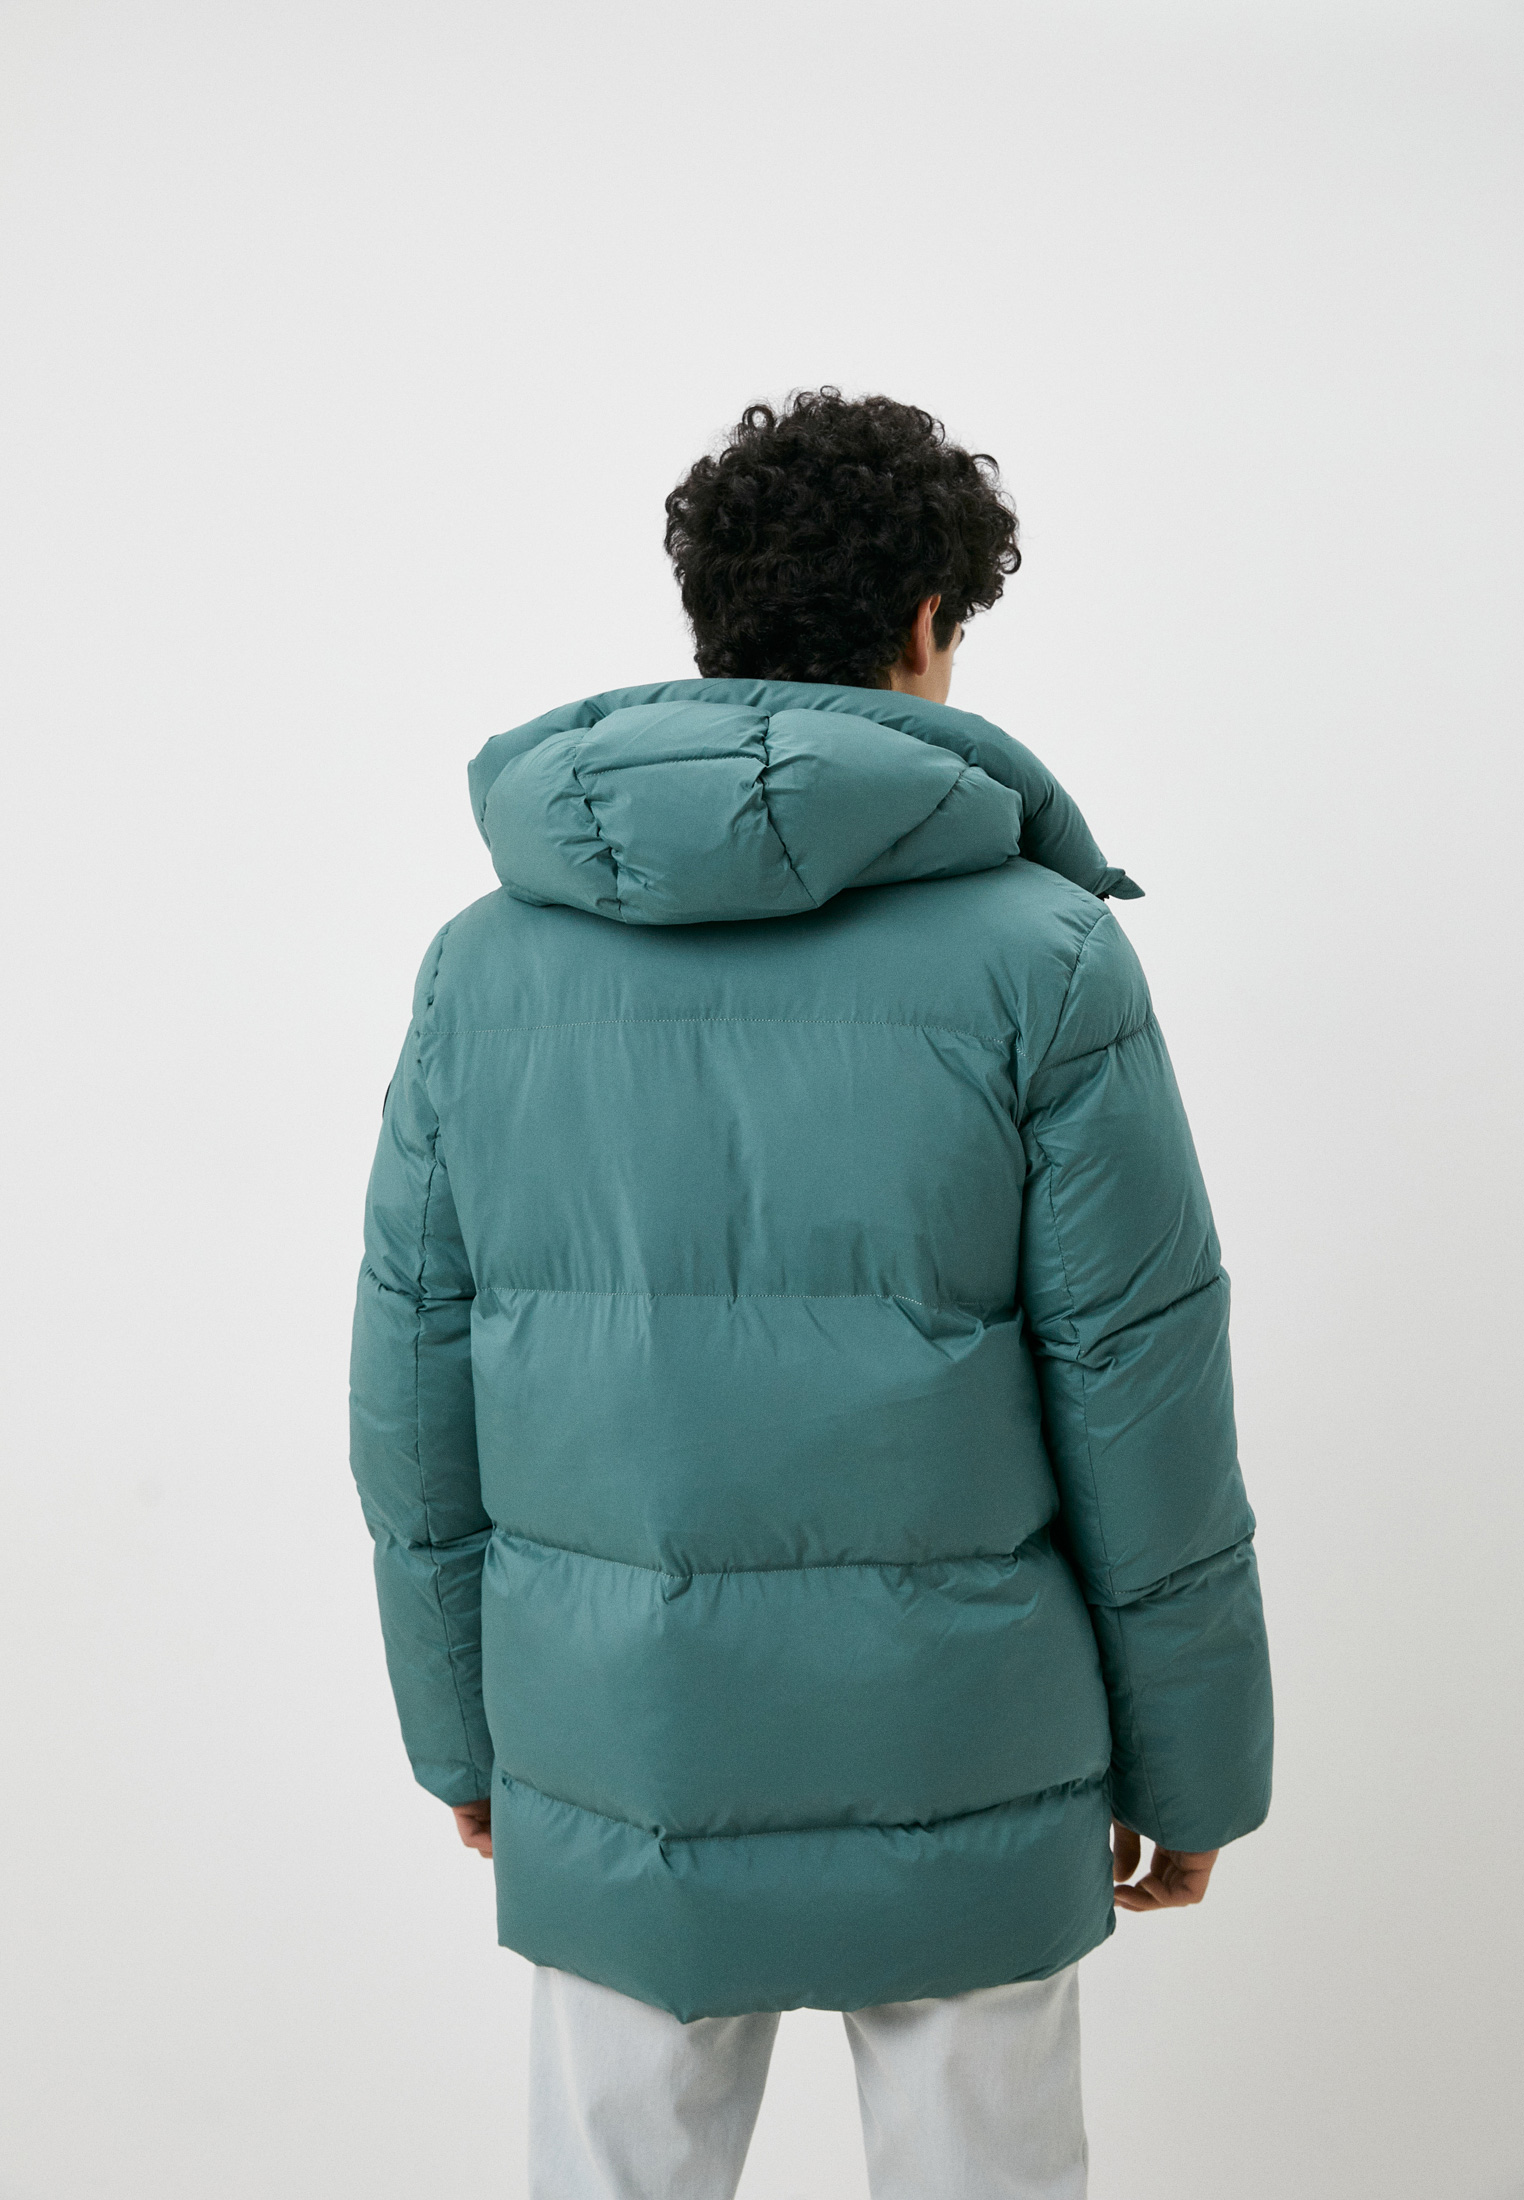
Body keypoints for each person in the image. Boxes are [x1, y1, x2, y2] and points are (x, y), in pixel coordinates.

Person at [348, 388, 1273, 2199]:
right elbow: (1143, 1395)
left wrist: (462, 1734)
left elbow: (413, 1386)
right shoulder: (1047, 957)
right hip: (966, 1744)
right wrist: (1197, 1765)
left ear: (713, 619)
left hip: (615, 1748)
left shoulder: (484, 965)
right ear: (928, 623)